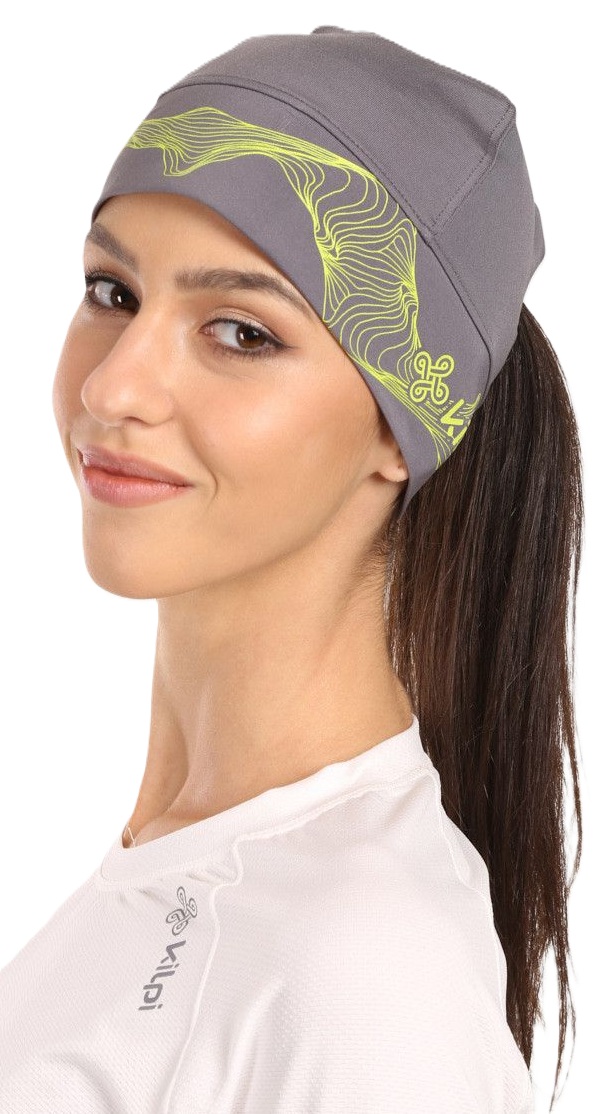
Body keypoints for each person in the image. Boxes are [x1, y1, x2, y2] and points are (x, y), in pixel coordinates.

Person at [0, 26, 582, 1114]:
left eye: (240, 333)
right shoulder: (198, 870)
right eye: (113, 292)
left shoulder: (367, 972)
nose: (113, 388)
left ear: (402, 426)